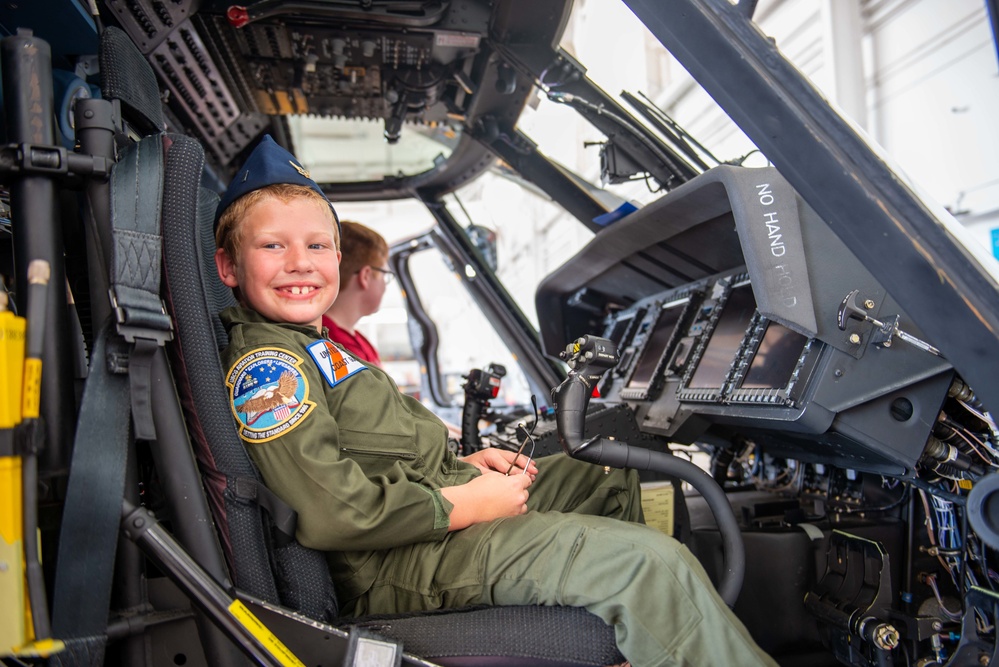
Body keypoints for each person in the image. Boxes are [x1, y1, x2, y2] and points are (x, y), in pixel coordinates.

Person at [213, 135, 777, 667]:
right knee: (652, 564)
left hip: (421, 518)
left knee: (604, 472)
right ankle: (652, 602)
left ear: (337, 258)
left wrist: (461, 470)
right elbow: (332, 510)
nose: (299, 262)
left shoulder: (315, 347)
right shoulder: (269, 368)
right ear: (229, 267)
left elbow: (376, 451)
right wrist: (463, 505)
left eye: (317, 245)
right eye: (272, 246)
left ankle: (642, 640)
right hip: (390, 562)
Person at [322, 220, 388, 366]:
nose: (385, 285)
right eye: (385, 275)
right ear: (366, 276)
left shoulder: (357, 340)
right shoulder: (333, 346)